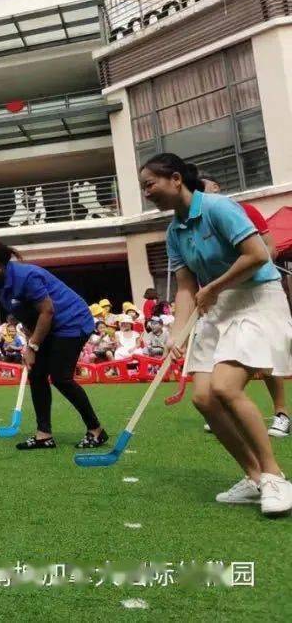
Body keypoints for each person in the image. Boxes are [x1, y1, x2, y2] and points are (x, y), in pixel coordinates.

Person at [142, 154, 291, 516]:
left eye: (150, 184)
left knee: (225, 387)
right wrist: (175, 336)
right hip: (217, 306)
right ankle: (254, 478)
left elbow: (258, 255)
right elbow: (183, 288)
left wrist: (215, 287)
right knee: (205, 399)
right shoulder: (173, 231)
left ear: (176, 178)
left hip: (257, 299)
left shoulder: (219, 208)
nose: (147, 193)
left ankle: (275, 476)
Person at [0, 239, 107, 451]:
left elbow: (47, 311)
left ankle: (96, 430)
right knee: (36, 374)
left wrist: (33, 347)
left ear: (0, 261)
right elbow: (26, 314)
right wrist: (30, 342)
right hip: (47, 325)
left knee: (61, 378)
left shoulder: (27, 276)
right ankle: (44, 435)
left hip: (71, 322)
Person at [201, 177, 289, 438]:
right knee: (231, 358)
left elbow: (268, 247)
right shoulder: (199, 223)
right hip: (224, 296)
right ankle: (229, 409)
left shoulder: (243, 211)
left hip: (258, 291)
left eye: (204, 186)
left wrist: (250, 271)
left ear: (217, 187)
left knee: (267, 357)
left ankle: (282, 413)